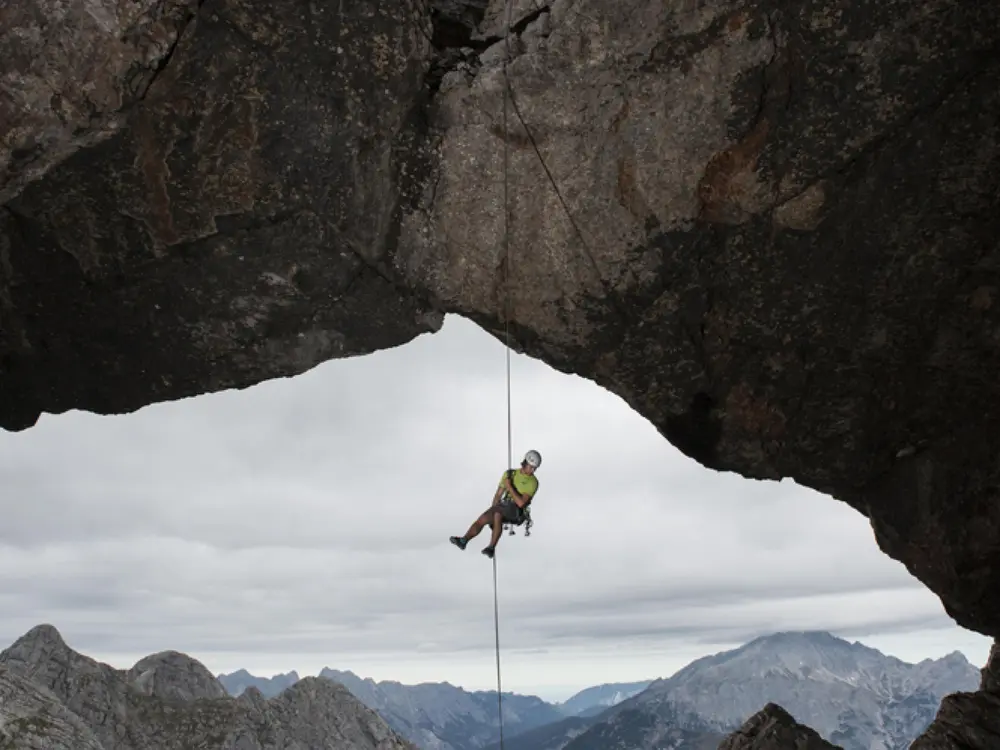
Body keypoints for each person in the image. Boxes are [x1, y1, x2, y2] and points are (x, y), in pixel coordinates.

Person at [450, 450, 541, 559]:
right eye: (531, 467)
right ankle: (464, 540)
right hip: (503, 505)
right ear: (525, 463)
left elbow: (521, 503)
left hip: (517, 510)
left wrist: (509, 487)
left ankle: (491, 547)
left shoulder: (533, 482)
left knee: (498, 514)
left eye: (535, 468)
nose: (533, 470)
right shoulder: (509, 474)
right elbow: (498, 494)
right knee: (483, 518)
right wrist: (492, 509)